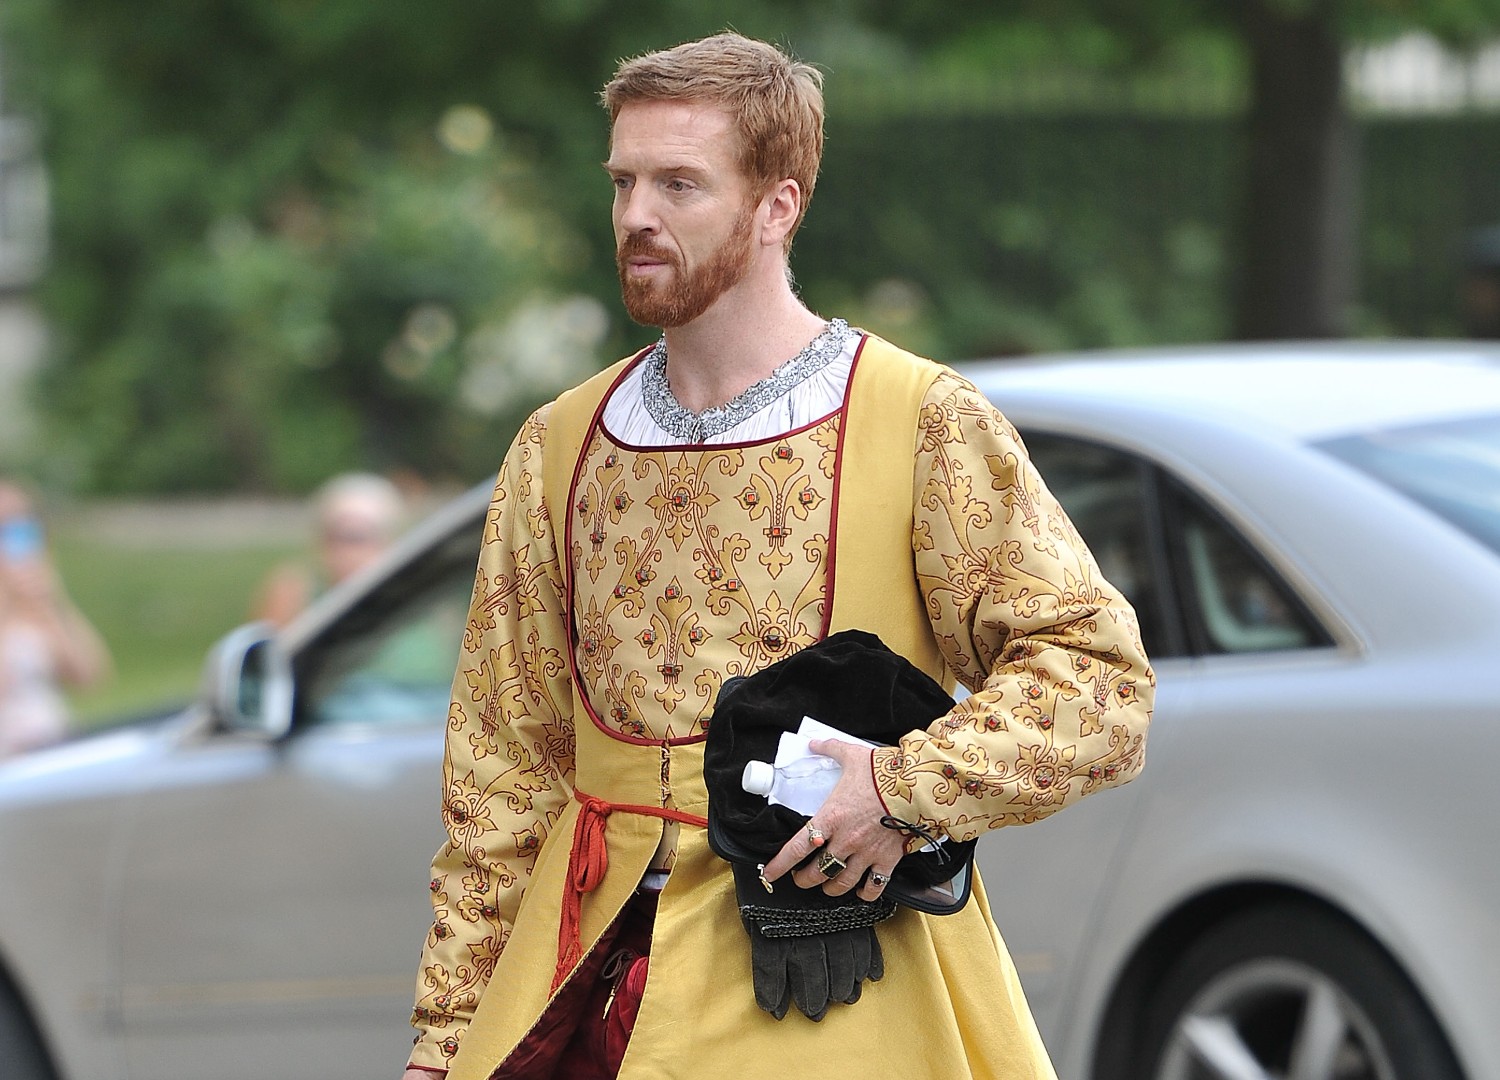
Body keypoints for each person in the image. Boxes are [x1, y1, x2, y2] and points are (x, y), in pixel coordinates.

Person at [403, 33, 1153, 1080]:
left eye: (679, 184)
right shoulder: (559, 445)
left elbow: (1097, 679)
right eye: (623, 181)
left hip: (837, 1004)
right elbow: (503, 771)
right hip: (590, 1001)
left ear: (777, 208)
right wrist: (444, 1044)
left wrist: (902, 787)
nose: (635, 217)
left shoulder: (921, 420)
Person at [0, 479, 112, 758]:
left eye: (22, 523)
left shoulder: (39, 596)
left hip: (54, 745)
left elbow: (90, 677)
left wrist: (50, 605)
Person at [252, 472, 406, 628]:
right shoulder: (295, 592)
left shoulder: (410, 598)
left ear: (387, 543)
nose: (348, 553)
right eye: (336, 536)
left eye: (357, 537)